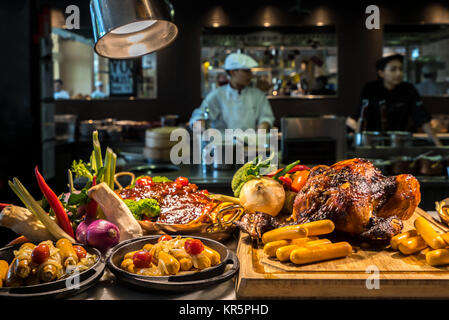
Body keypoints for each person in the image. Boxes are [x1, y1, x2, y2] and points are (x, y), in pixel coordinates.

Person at [351, 54, 442, 146]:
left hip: (400, 141)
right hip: (373, 141)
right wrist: (356, 143)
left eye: (401, 69)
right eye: (393, 69)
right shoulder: (370, 88)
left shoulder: (408, 89)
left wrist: (438, 144)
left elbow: (422, 118)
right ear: (381, 73)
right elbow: (361, 116)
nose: (399, 73)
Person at [190, 53, 275, 131]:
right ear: (233, 72)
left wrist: (264, 126)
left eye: (250, 71)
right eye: (246, 71)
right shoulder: (217, 95)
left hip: (250, 144)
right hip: (223, 145)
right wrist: (200, 125)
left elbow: (266, 117)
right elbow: (199, 115)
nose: (250, 75)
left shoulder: (258, 95)